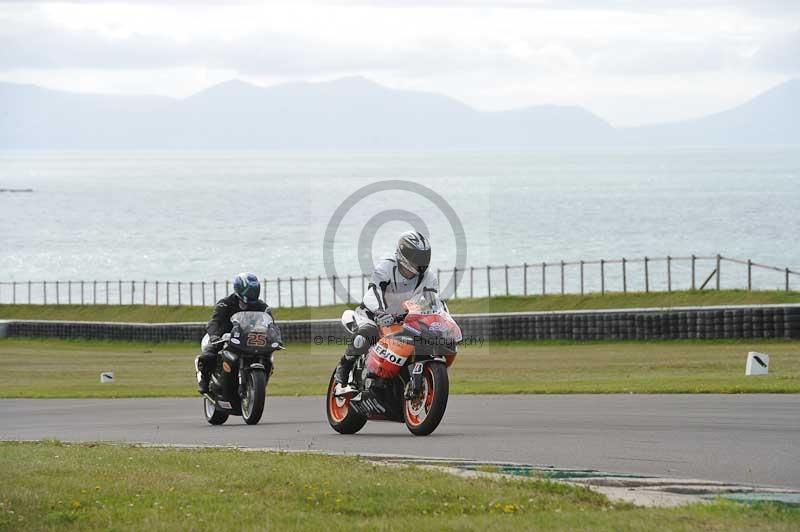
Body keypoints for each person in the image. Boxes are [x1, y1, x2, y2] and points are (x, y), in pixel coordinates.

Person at [334, 231, 438, 392]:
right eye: (418, 256)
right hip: (372, 315)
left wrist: (439, 317)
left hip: (403, 321)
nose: (422, 262)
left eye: (424, 256)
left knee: (418, 343)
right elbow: (374, 291)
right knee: (366, 334)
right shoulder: (386, 267)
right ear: (405, 254)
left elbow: (433, 300)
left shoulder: (428, 277)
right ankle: (343, 372)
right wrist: (381, 313)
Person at [195, 272, 271, 394]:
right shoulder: (225, 303)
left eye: (253, 291)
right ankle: (204, 379)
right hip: (225, 337)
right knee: (208, 356)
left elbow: (271, 324)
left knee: (268, 358)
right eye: (249, 291)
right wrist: (214, 336)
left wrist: (275, 337)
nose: (251, 294)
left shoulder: (262, 306)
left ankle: (257, 384)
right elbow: (214, 322)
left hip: (249, 338)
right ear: (239, 288)